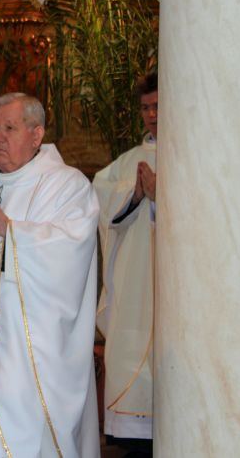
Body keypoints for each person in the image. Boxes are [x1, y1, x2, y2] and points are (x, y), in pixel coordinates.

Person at [0, 93, 100, 458]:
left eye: (10, 128)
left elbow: (69, 252)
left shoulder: (67, 186)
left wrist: (9, 230)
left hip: (25, 343)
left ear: (36, 134)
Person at [93, 74, 158, 457]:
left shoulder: (196, 152)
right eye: (146, 108)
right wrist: (134, 194)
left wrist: (162, 195)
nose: (152, 115)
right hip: (135, 287)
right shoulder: (128, 162)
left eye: (158, 107)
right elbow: (101, 201)